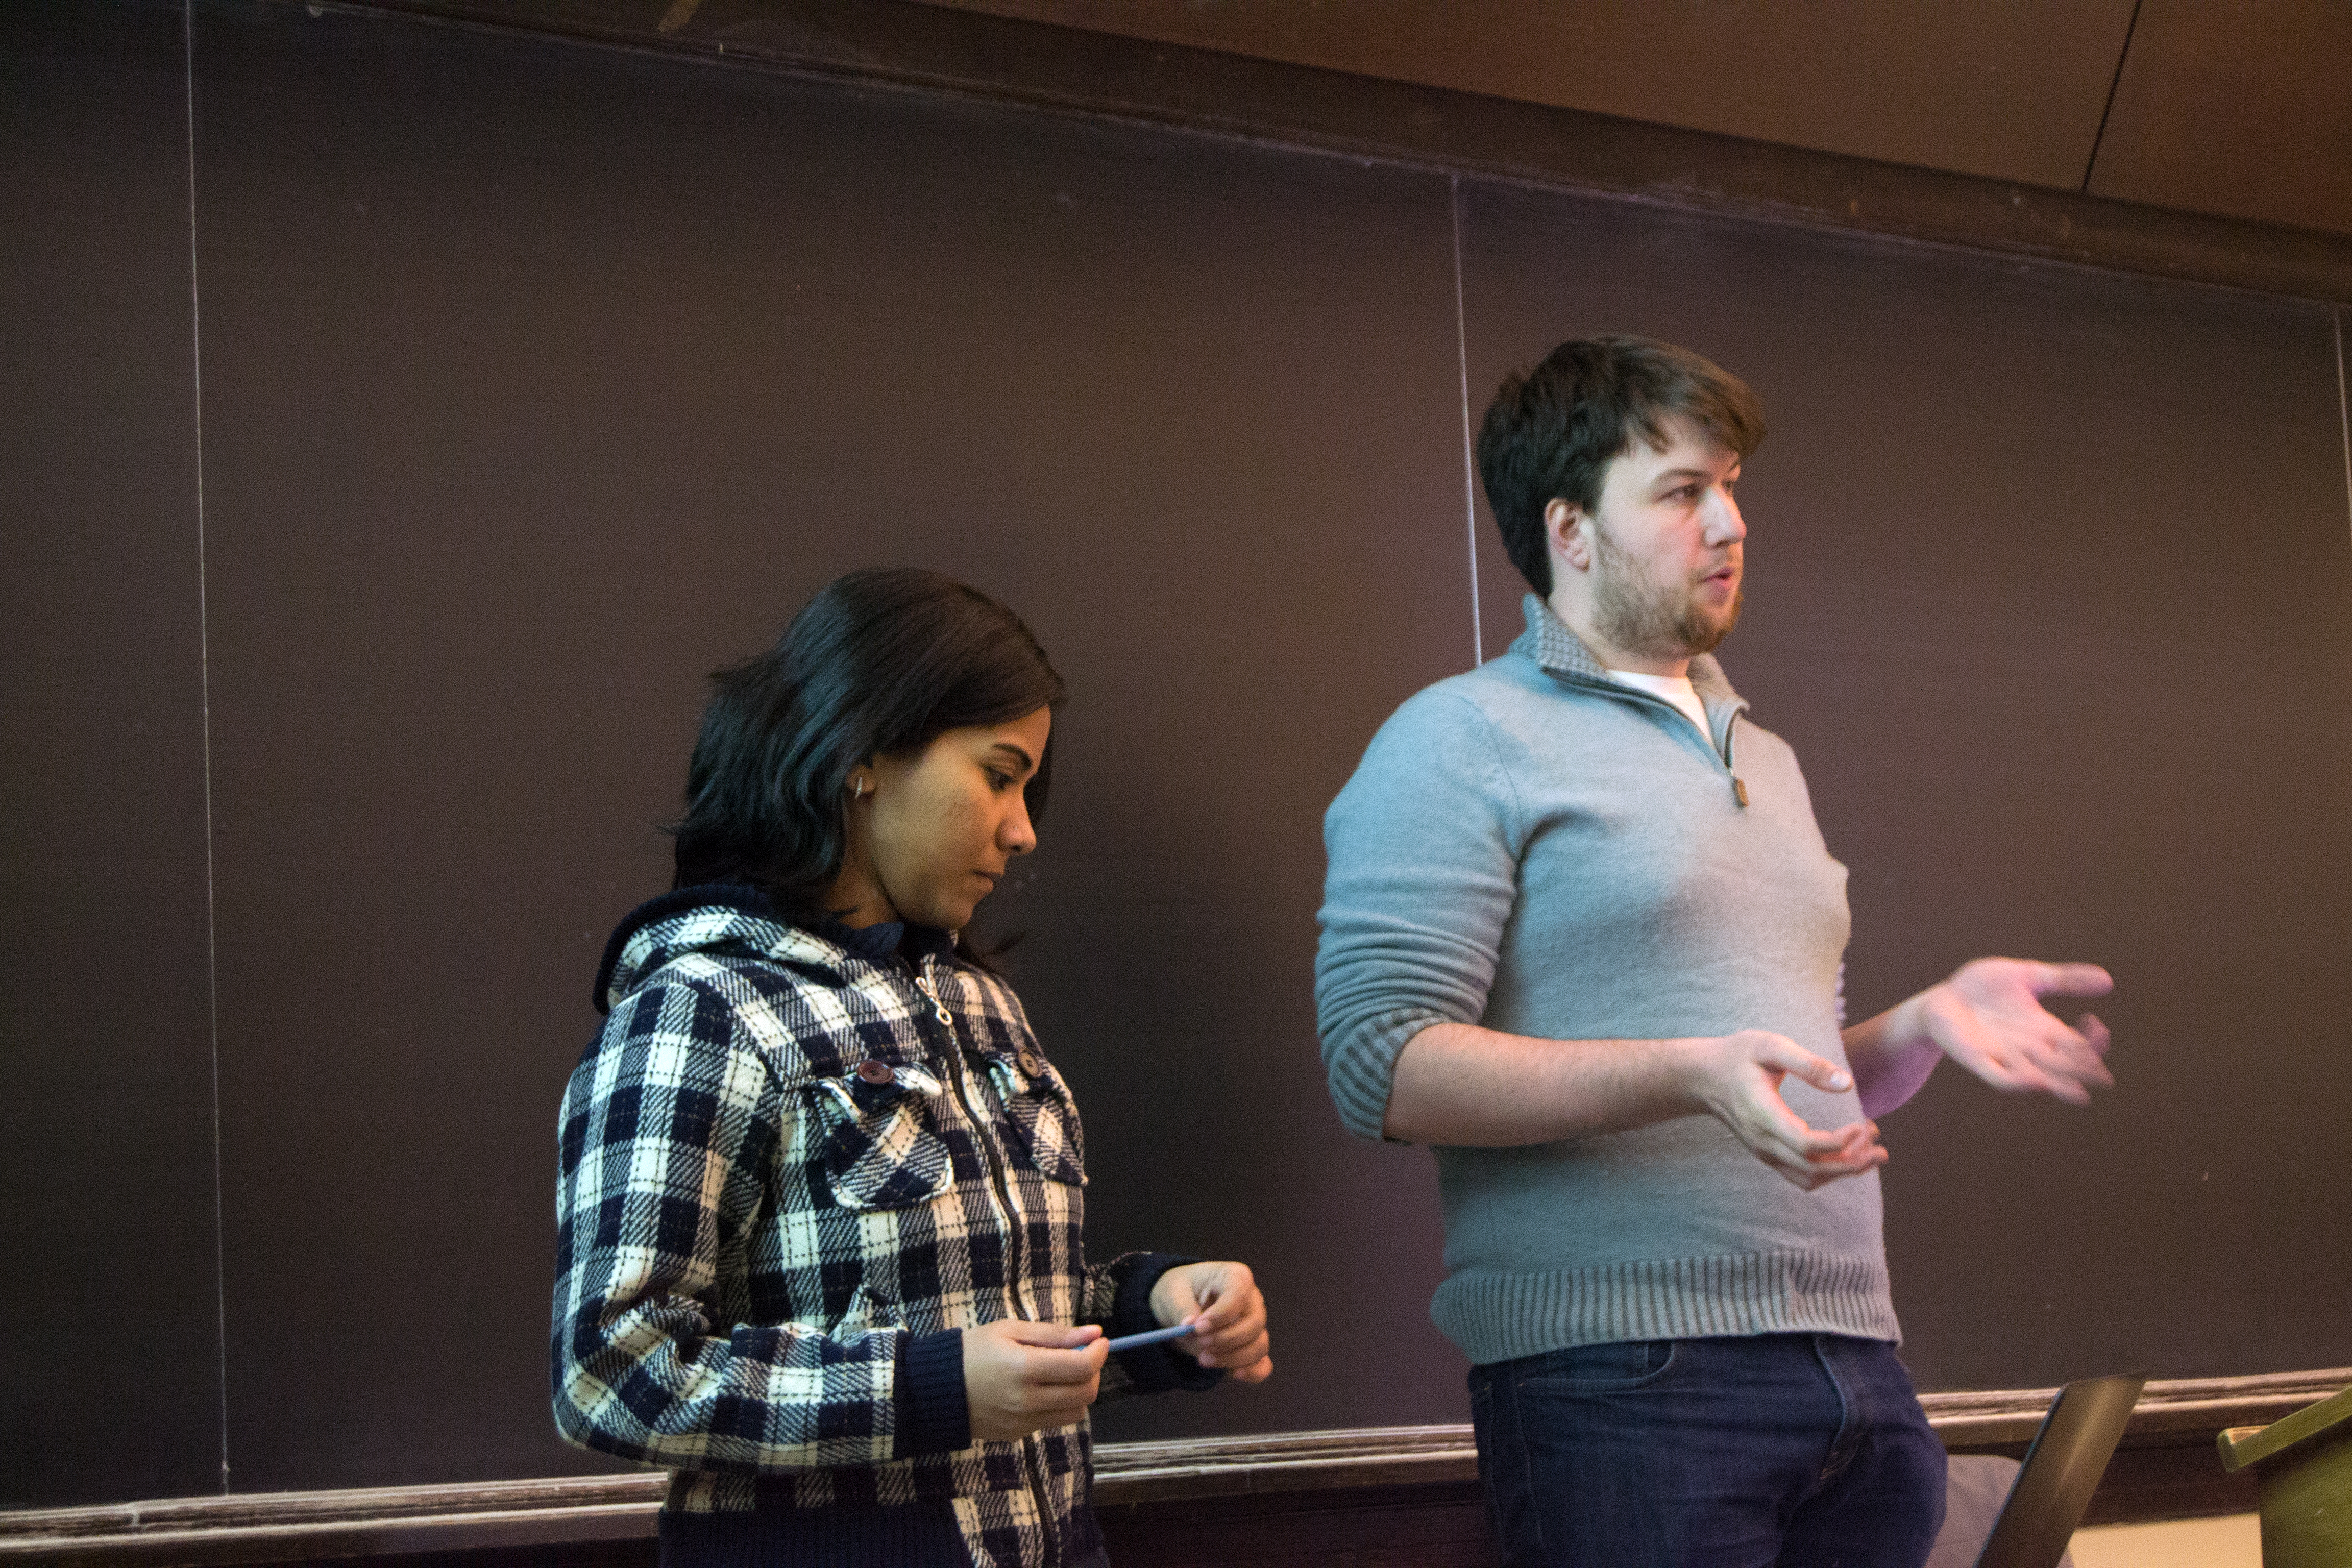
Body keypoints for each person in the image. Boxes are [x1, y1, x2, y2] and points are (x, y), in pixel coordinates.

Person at [1314, 337, 2114, 1567]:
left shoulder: (1769, 758)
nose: (1731, 522)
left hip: (1858, 1367)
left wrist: (1917, 1027)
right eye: (1684, 492)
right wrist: (1688, 1072)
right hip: (1622, 1383)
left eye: (1732, 486)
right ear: (1571, 530)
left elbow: (1771, 1074)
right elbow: (1383, 1066)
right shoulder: (1457, 740)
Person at [554, 568, 1272, 1568]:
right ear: (866, 757)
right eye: (999, 773)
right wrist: (923, 1389)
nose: (1024, 830)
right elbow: (611, 1374)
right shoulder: (700, 1011)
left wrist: (1153, 1311)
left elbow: (985, 1332)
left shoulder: (981, 1005)